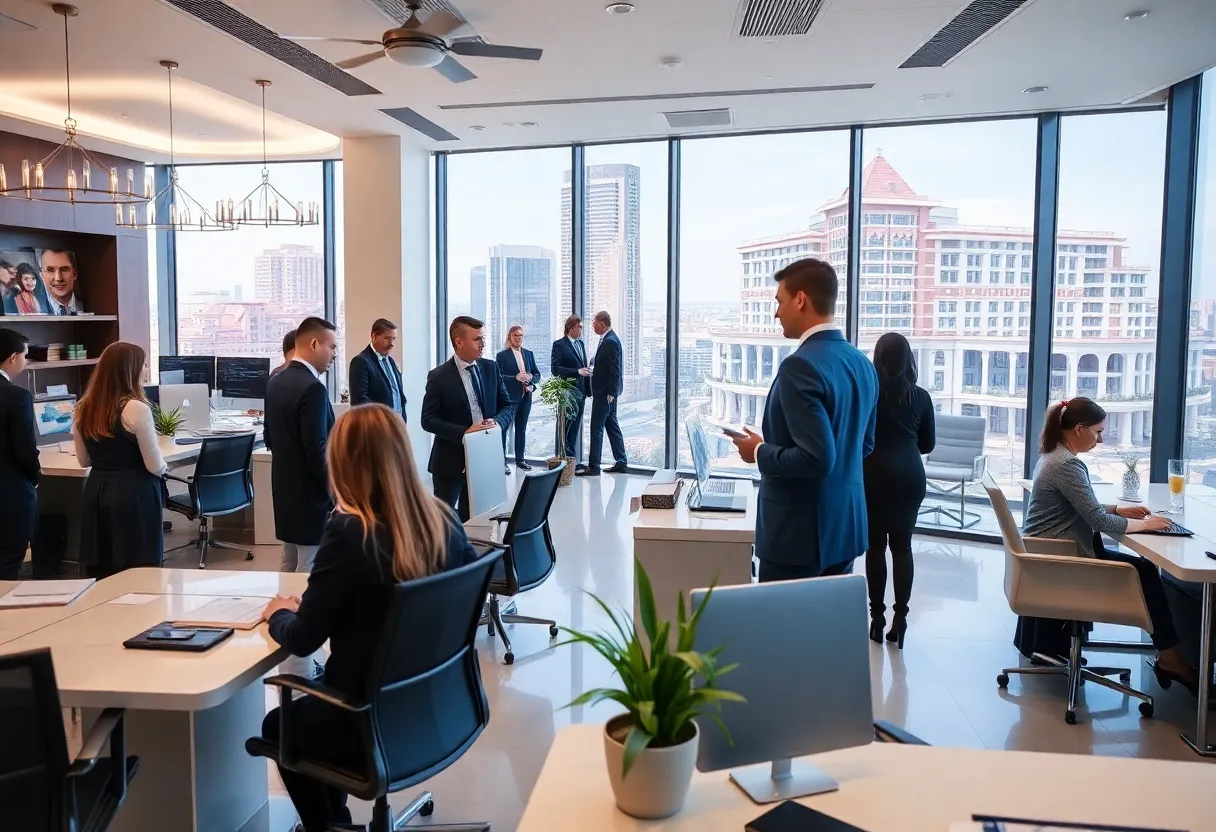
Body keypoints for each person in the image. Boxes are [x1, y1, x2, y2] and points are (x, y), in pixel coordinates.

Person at [258, 403, 480, 832]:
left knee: (279, 725)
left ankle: (329, 826)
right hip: (440, 708)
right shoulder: (443, 518)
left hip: (367, 717)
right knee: (318, 713)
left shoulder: (349, 532)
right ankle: (335, 820)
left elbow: (303, 639)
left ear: (343, 463)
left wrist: (279, 613)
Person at [1023, 397, 1200, 693]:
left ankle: (1170, 654)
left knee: (1141, 567)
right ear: (1079, 429)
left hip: (1050, 557)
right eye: (1098, 432)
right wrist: (1146, 525)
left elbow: (1079, 505)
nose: (1101, 440)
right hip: (1063, 564)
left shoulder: (1053, 455)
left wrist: (1118, 510)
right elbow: (1097, 521)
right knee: (1144, 570)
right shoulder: (1066, 464)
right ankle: (1171, 657)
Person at [731, 258, 878, 582]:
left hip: (798, 538)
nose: (776, 313)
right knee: (828, 616)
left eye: (780, 301)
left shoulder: (800, 366)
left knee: (783, 618)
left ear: (800, 300)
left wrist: (758, 451)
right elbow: (864, 444)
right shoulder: (862, 363)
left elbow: (817, 459)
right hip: (846, 528)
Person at [863, 332, 935, 649]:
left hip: (873, 475)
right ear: (909, 360)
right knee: (902, 547)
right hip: (909, 477)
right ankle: (901, 619)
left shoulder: (868, 395)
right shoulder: (921, 397)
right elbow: (927, 444)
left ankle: (876, 619)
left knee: (875, 546)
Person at [73, 342, 167, 577]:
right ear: (130, 370)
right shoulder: (136, 408)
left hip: (97, 491)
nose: (146, 370)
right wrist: (166, 466)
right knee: (138, 566)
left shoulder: (83, 407)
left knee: (103, 566)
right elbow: (154, 466)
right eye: (143, 365)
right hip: (134, 493)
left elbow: (84, 461)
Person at [264, 317, 338, 577]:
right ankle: (300, 606)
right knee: (309, 567)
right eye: (332, 347)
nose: (334, 355)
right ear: (314, 344)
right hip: (311, 496)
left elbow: (269, 437)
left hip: (285, 491)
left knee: (288, 562)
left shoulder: (275, 382)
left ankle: (283, 603)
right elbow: (317, 448)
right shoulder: (313, 388)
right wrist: (337, 490)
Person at [421, 316, 513, 521]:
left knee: (475, 519)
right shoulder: (438, 376)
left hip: (484, 459)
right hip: (450, 462)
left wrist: (497, 422)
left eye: (483, 338)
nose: (483, 344)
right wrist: (464, 432)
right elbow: (428, 419)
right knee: (444, 522)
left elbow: (507, 405)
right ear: (459, 342)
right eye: (477, 339)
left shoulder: (491, 368)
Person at [0, 329, 39, 579]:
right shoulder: (17, 396)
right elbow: (24, 450)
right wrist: (35, 477)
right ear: (13, 357)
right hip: (9, 496)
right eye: (25, 356)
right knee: (7, 565)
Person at [580, 310, 628, 476]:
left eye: (595, 322)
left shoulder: (610, 341)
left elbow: (615, 370)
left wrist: (611, 392)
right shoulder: (607, 339)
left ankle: (594, 466)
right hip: (606, 392)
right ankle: (621, 461)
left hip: (605, 393)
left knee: (596, 428)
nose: (593, 325)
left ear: (603, 323)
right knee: (611, 425)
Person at [495, 325, 541, 473]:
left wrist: (531, 379)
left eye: (521, 335)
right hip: (510, 399)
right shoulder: (502, 356)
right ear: (510, 337)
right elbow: (499, 377)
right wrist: (516, 377)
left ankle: (520, 460)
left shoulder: (528, 354)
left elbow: (537, 374)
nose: (519, 338)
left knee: (521, 429)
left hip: (526, 397)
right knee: (504, 430)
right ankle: (501, 462)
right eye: (516, 335)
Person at [550, 315, 592, 468]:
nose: (581, 329)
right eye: (579, 327)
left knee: (575, 429)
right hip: (568, 393)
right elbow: (555, 369)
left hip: (581, 392)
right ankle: (563, 462)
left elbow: (582, 365)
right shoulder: (559, 345)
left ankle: (572, 462)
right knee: (565, 429)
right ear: (570, 327)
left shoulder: (580, 343)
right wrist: (577, 371)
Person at [348, 318, 406, 421]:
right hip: (376, 424)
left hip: (396, 423)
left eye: (394, 339)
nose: (392, 343)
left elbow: (398, 395)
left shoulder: (391, 362)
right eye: (387, 338)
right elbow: (359, 400)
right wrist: (383, 416)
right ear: (374, 336)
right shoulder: (361, 362)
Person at [40, 249, 82, 314]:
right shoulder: (35, 309)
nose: (58, 278)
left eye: (64, 270)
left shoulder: (91, 305)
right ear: (41, 275)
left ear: (74, 273)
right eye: (50, 270)